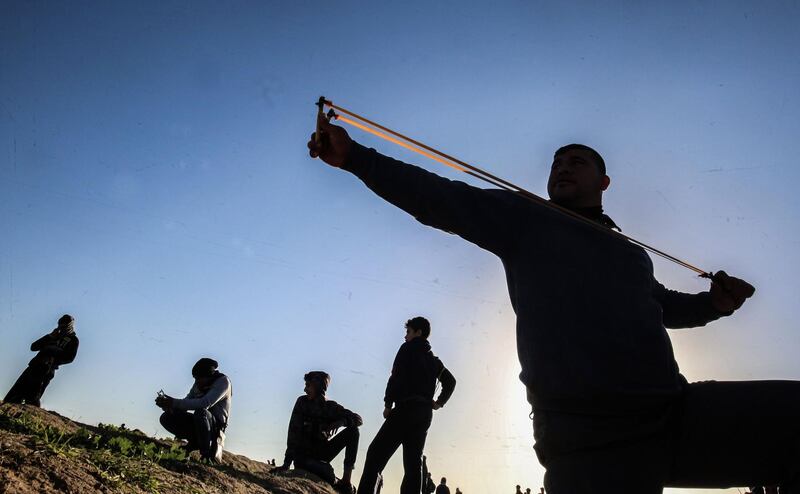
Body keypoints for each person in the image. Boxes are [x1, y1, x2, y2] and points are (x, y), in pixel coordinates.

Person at [306, 117, 794, 493]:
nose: (562, 166)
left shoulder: (631, 254)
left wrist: (714, 304)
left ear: (604, 182)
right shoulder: (524, 220)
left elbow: (663, 308)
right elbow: (439, 197)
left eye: (576, 161)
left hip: (673, 412)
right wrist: (356, 157)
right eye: (557, 161)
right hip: (586, 440)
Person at [357, 317, 456, 494]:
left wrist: (388, 404)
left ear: (419, 333)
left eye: (408, 332)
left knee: (375, 454)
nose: (405, 336)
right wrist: (438, 403)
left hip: (405, 409)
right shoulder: (434, 361)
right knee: (413, 465)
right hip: (424, 414)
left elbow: (395, 376)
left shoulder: (408, 348)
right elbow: (450, 381)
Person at [277, 371, 362, 493]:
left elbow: (359, 419)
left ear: (318, 387)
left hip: (322, 452)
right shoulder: (302, 403)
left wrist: (342, 422)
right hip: (304, 457)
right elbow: (293, 433)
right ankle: (337, 482)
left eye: (308, 386)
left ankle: (346, 481)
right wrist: (286, 463)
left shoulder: (330, 407)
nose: (305, 390)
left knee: (353, 431)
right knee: (327, 472)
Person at [156, 357, 232, 463]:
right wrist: (171, 407)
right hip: (200, 422)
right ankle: (194, 443)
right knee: (166, 417)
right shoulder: (198, 383)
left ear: (208, 376)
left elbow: (205, 403)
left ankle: (207, 454)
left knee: (201, 412)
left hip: (214, 428)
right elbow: (187, 401)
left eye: (199, 379)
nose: (196, 382)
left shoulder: (223, 382)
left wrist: (174, 402)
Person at [4, 314, 79, 406]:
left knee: (33, 397)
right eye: (60, 324)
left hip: (46, 370)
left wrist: (54, 355)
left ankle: (29, 416)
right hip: (33, 366)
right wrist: (50, 336)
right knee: (14, 395)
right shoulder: (54, 335)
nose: (61, 327)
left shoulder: (73, 340)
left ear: (70, 326)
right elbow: (34, 347)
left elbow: (70, 358)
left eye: (64, 325)